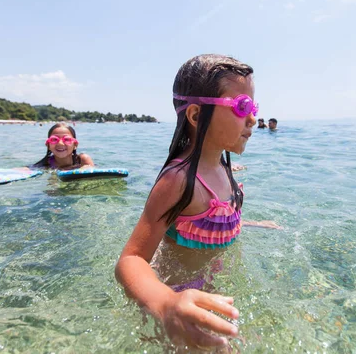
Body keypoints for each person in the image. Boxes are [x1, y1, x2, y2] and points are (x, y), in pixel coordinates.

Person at [115, 54, 280, 349]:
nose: (253, 119)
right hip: (178, 295)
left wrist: (252, 224)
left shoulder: (223, 168)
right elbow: (131, 259)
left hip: (214, 291)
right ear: (195, 115)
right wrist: (165, 303)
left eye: (254, 107)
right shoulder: (179, 181)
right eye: (242, 107)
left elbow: (212, 222)